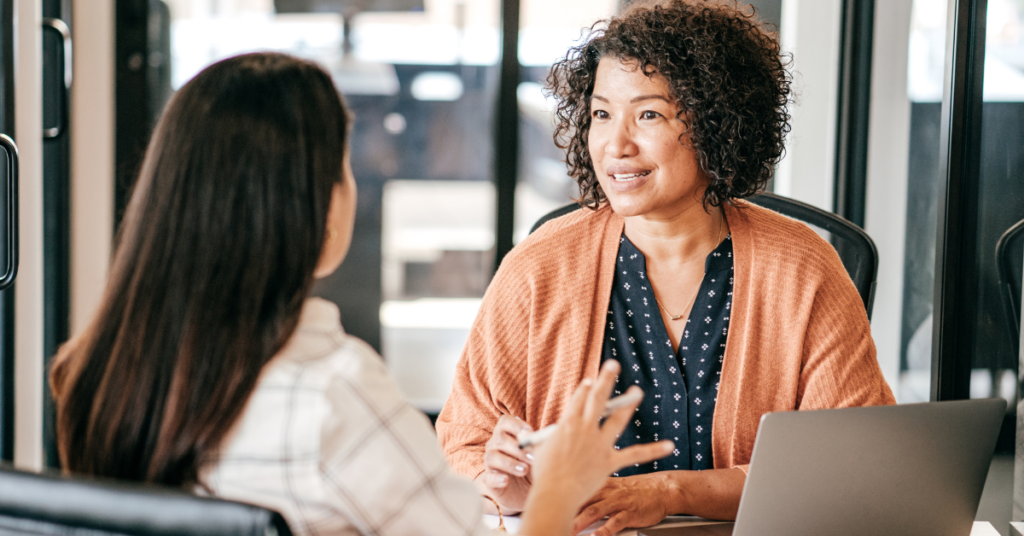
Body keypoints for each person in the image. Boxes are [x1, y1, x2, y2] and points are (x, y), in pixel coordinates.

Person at [48, 52, 672, 536]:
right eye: (344, 165)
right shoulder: (333, 392)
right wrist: (559, 488)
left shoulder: (96, 373)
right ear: (312, 207)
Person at [436, 1, 896, 534]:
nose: (615, 145)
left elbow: (848, 465)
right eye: (602, 114)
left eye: (648, 114)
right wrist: (507, 488)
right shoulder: (539, 267)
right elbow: (464, 445)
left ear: (718, 122)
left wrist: (671, 491)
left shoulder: (802, 268)